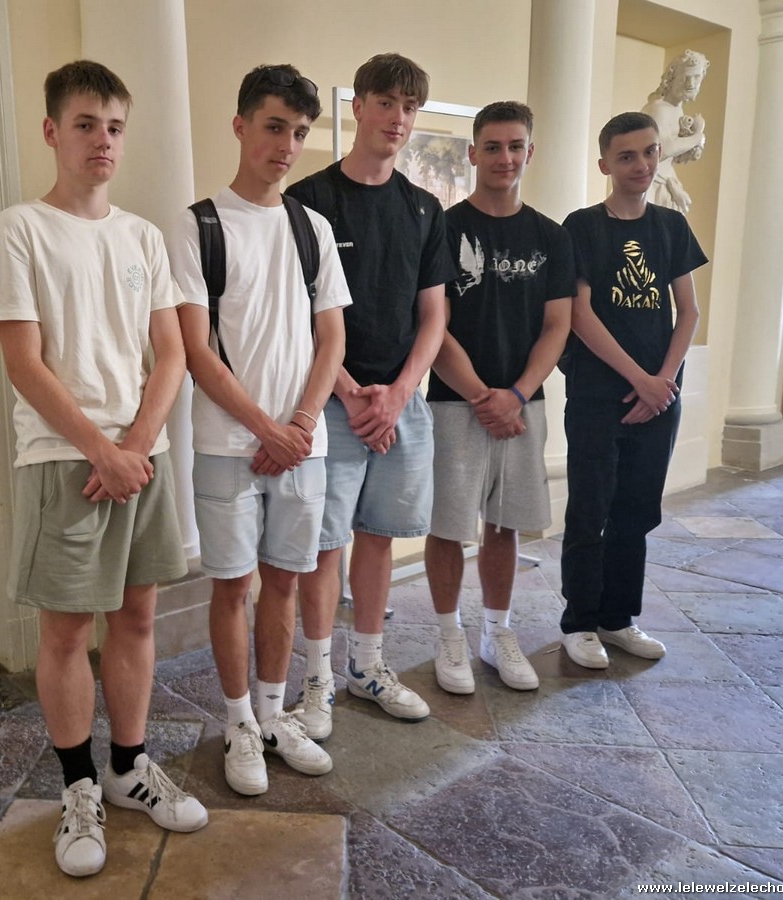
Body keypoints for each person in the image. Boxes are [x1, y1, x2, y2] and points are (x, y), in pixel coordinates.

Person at [0, 60, 207, 878]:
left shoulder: (141, 236)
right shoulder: (19, 231)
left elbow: (171, 353)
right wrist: (102, 450)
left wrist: (134, 446)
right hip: (63, 460)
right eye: (84, 124)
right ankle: (77, 786)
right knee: (69, 631)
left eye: (113, 126)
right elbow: (24, 363)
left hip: (142, 460)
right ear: (52, 131)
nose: (102, 140)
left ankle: (128, 767)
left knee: (138, 619)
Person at [169, 64, 349, 795]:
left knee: (286, 580)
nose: (287, 146)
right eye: (275, 127)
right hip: (228, 444)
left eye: (300, 133)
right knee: (232, 585)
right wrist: (265, 430)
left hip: (303, 444)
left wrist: (299, 423)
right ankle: (239, 721)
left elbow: (331, 337)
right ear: (241, 125)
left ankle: (275, 715)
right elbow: (196, 351)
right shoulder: (197, 226)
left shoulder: (313, 228)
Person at [287, 53, 455, 741]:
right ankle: (317, 679)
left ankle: (368, 665)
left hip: (400, 404)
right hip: (333, 402)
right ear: (357, 107)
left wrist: (399, 393)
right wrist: (354, 394)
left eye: (410, 107)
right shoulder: (309, 201)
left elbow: (434, 315)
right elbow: (298, 314)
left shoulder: (424, 208)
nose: (398, 118)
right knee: (325, 546)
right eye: (386, 102)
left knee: (379, 538)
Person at [423, 101, 574, 695]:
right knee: (447, 528)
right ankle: (448, 635)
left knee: (505, 526)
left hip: (522, 404)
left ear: (529, 153)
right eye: (492, 146)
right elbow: (434, 325)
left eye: (515, 146)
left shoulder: (551, 236)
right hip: (454, 403)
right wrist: (483, 396)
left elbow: (557, 326)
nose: (504, 158)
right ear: (473, 153)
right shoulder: (443, 229)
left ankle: (496, 632)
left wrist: (516, 394)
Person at [558, 111, 706, 669]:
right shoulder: (583, 227)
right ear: (605, 165)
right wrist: (639, 380)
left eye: (648, 152)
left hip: (660, 396)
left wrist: (662, 382)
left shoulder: (671, 227)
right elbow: (580, 314)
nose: (640, 164)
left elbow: (688, 312)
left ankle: (618, 619)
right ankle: (579, 623)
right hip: (599, 394)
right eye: (626, 156)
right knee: (589, 509)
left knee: (636, 510)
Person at [641, 49, 710, 213]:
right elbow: (662, 151)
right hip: (653, 185)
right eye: (686, 77)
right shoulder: (659, 108)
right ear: (672, 78)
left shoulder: (676, 109)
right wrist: (697, 137)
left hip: (666, 181)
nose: (691, 83)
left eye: (696, 77)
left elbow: (674, 157)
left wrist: (693, 134)